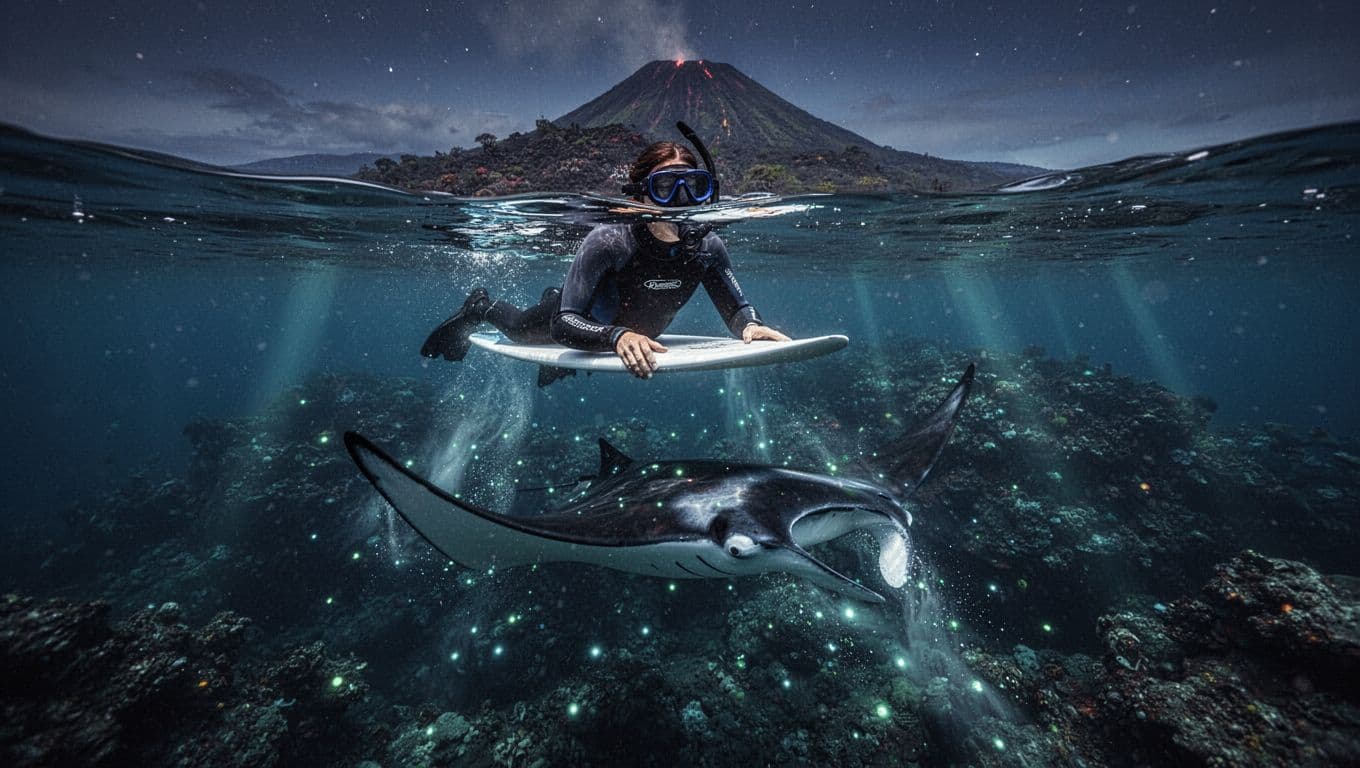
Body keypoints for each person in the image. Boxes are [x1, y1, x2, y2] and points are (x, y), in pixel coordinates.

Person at [420, 135, 790, 384]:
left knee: (561, 306)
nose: (680, 201)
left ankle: (555, 293)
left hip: (619, 331)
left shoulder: (708, 247)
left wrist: (750, 325)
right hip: (575, 320)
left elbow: (736, 309)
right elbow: (563, 325)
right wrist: (617, 336)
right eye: (664, 188)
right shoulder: (610, 241)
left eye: (693, 187)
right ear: (639, 197)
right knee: (518, 330)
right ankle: (480, 306)